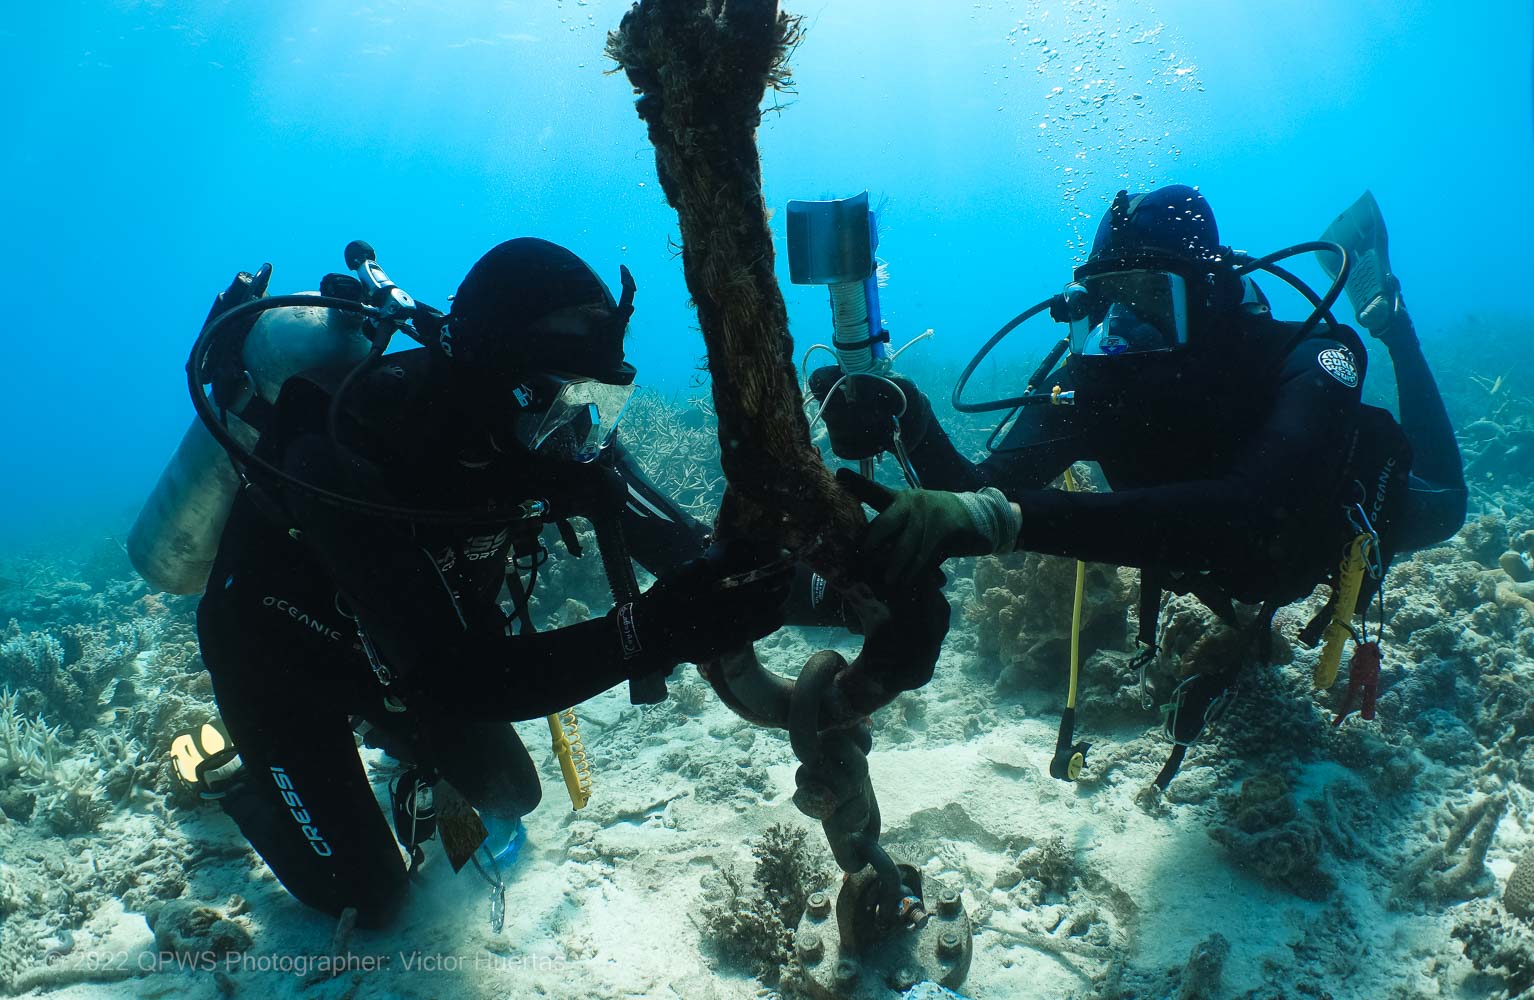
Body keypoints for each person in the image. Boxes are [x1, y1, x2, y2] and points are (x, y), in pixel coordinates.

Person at [190, 238, 790, 926]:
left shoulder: (545, 427)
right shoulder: (347, 449)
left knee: (511, 793)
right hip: (281, 661)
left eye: (603, 398)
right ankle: (247, 781)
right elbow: (464, 678)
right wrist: (654, 631)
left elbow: (681, 548)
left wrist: (803, 575)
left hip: (403, 651)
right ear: (504, 377)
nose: (583, 429)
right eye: (568, 398)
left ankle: (388, 744)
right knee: (370, 899)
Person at [813, 185, 1465, 782]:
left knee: (1448, 509)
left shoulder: (1306, 357)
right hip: (1208, 557)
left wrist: (1007, 519)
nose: (1124, 325)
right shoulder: (1097, 380)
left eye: (1152, 297)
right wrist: (910, 418)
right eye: (1108, 302)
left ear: (1209, 294)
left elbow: (1253, 512)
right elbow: (976, 495)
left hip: (1320, 532)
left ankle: (1390, 316)